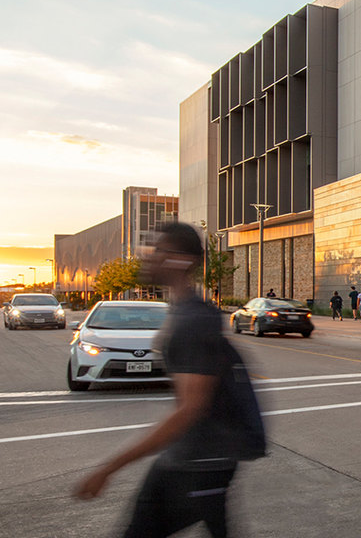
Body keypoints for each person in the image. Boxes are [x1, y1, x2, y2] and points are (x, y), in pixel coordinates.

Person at [73, 222, 265, 536]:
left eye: (157, 250)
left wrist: (110, 467)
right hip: (196, 457)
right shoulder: (186, 312)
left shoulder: (193, 320)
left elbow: (190, 408)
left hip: (199, 463)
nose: (148, 257)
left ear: (180, 260)